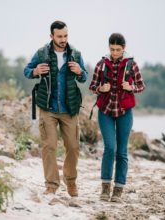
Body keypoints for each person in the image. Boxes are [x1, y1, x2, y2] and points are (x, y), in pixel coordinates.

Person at [23, 20, 88, 197]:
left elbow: (85, 77)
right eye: (59, 36)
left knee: (73, 147)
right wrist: (35, 71)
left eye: (65, 35)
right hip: (48, 108)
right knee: (49, 146)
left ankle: (71, 182)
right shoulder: (42, 53)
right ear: (51, 36)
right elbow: (27, 71)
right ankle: (51, 185)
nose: (63, 39)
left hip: (70, 108)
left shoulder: (75, 54)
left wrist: (80, 72)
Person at [89, 33, 145, 202]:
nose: (114, 53)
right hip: (105, 111)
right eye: (112, 49)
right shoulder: (101, 64)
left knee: (122, 152)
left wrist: (131, 87)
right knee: (110, 149)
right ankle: (105, 189)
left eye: (118, 50)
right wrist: (101, 89)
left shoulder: (132, 64)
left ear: (124, 48)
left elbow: (141, 86)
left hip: (124, 112)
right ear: (109, 47)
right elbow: (92, 86)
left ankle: (118, 191)